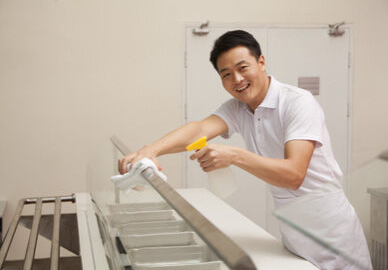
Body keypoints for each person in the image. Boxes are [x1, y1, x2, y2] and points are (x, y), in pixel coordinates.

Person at [119, 30, 372, 270]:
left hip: (333, 233)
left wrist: (234, 155)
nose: (237, 80)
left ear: (261, 62)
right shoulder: (238, 108)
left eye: (242, 68)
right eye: (226, 74)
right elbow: (197, 130)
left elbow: (294, 175)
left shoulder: (297, 102)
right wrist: (150, 150)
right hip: (294, 231)